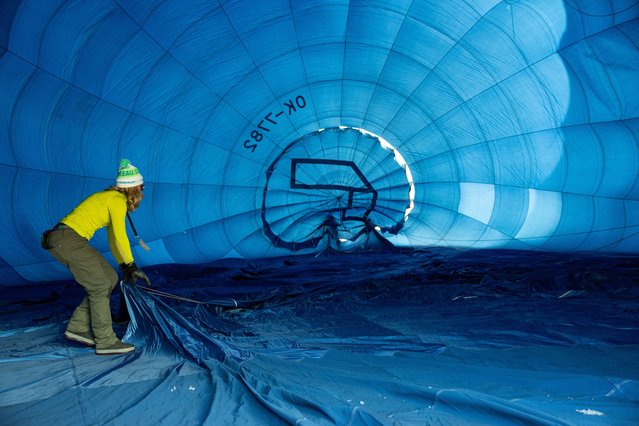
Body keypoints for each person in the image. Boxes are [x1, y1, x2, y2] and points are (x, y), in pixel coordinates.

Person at [43, 159, 151, 355]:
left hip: (69, 239)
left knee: (109, 278)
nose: (142, 191)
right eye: (142, 186)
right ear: (134, 188)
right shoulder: (117, 200)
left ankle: (78, 327)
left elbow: (113, 240)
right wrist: (132, 265)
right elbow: (120, 237)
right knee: (100, 284)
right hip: (67, 239)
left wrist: (124, 267)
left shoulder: (111, 198)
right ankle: (106, 341)